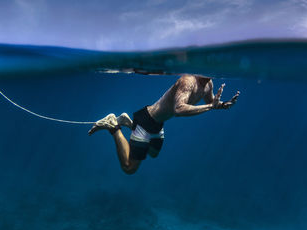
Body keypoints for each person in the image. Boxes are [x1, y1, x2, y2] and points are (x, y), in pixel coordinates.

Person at [88, 74, 240, 174]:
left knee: (153, 153)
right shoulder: (188, 81)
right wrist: (210, 107)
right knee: (129, 168)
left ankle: (128, 122)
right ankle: (113, 125)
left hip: (158, 124)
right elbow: (179, 110)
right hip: (146, 120)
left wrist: (223, 105)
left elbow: (210, 102)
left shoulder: (208, 84)